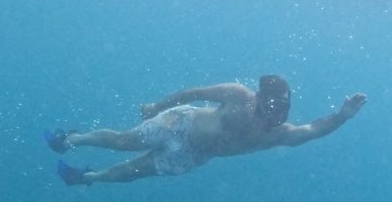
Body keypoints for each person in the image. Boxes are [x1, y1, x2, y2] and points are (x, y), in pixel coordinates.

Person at [44, 75, 366, 186]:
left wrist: (343, 116)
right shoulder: (238, 95)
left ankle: (85, 178)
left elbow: (312, 130)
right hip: (181, 122)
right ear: (258, 99)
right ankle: (72, 139)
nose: (270, 118)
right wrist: (157, 107)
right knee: (123, 141)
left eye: (279, 112)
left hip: (192, 155)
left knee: (132, 172)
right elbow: (194, 93)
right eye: (267, 109)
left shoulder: (277, 134)